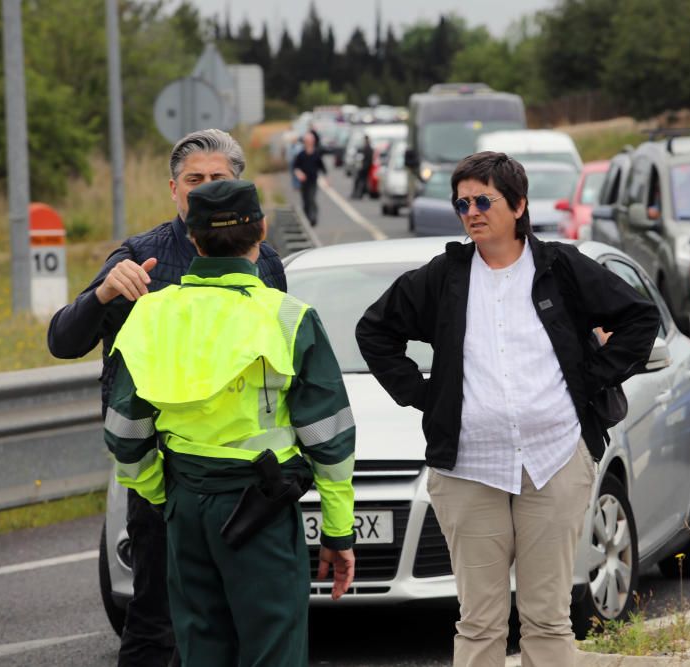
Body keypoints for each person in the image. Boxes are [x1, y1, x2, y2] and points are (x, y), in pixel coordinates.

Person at [356, 151, 659, 666]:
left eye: (483, 200)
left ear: (518, 205)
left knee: (548, 618)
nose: (471, 211)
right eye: (462, 203)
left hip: (555, 461)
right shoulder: (443, 278)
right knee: (479, 622)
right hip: (470, 470)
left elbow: (638, 317)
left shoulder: (560, 268)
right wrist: (426, 396)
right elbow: (374, 330)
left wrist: (590, 379)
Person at [46, 128, 287, 667]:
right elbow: (63, 341)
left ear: (239, 187)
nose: (203, 190)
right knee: (156, 623)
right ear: (173, 190)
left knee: (234, 622)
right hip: (160, 472)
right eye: (193, 180)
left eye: (217, 180)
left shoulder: (264, 262)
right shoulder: (140, 258)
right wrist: (104, 292)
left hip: (240, 473)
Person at [104, 179, 356, 666]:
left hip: (186, 506)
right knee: (273, 651)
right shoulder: (288, 317)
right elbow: (330, 440)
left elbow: (124, 433)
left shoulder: (150, 314)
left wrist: (165, 494)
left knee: (201, 649)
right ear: (261, 229)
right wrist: (338, 533)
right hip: (259, 509)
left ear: (191, 236)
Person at [291, 129, 328, 226]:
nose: (308, 143)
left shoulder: (316, 154)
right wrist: (299, 173)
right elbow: (295, 167)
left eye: (310, 141)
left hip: (313, 181)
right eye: (306, 141)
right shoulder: (301, 155)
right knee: (305, 201)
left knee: (312, 198)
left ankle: (313, 218)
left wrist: (326, 178)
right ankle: (307, 217)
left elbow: (322, 167)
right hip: (304, 182)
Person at [351, 135, 372, 200]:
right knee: (360, 180)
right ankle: (358, 194)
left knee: (361, 181)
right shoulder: (366, 148)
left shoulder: (368, 148)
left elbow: (368, 159)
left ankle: (359, 194)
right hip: (364, 167)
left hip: (365, 167)